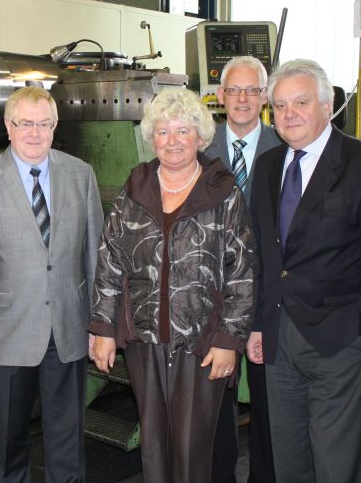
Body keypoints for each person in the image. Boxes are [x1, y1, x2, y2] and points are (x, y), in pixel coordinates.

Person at [247, 59, 361, 483]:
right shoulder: (267, 166)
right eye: (279, 106)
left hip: (338, 339)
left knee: (338, 463)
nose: (289, 114)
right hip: (279, 340)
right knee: (289, 459)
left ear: (328, 103)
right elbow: (264, 255)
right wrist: (258, 325)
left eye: (300, 102)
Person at [91, 87, 256, 483]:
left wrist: (227, 341)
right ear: (151, 138)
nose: (173, 141)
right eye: (163, 132)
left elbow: (243, 271)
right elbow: (110, 261)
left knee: (192, 448)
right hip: (145, 342)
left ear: (200, 137)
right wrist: (102, 330)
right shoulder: (135, 190)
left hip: (201, 344)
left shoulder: (222, 192)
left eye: (183, 131)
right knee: (154, 443)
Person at [0, 86, 103, 482]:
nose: (34, 133)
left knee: (67, 438)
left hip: (69, 329)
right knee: (10, 439)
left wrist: (99, 326)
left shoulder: (80, 174)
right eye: (25, 124)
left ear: (55, 127)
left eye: (43, 124)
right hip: (8, 333)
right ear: (9, 126)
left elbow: (95, 257)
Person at [204, 56, 281, 483]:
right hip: (214, 303)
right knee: (216, 412)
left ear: (264, 96)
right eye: (234, 90)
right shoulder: (199, 148)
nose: (243, 99)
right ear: (220, 96)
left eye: (252, 90)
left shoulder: (285, 147)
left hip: (271, 299)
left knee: (271, 408)